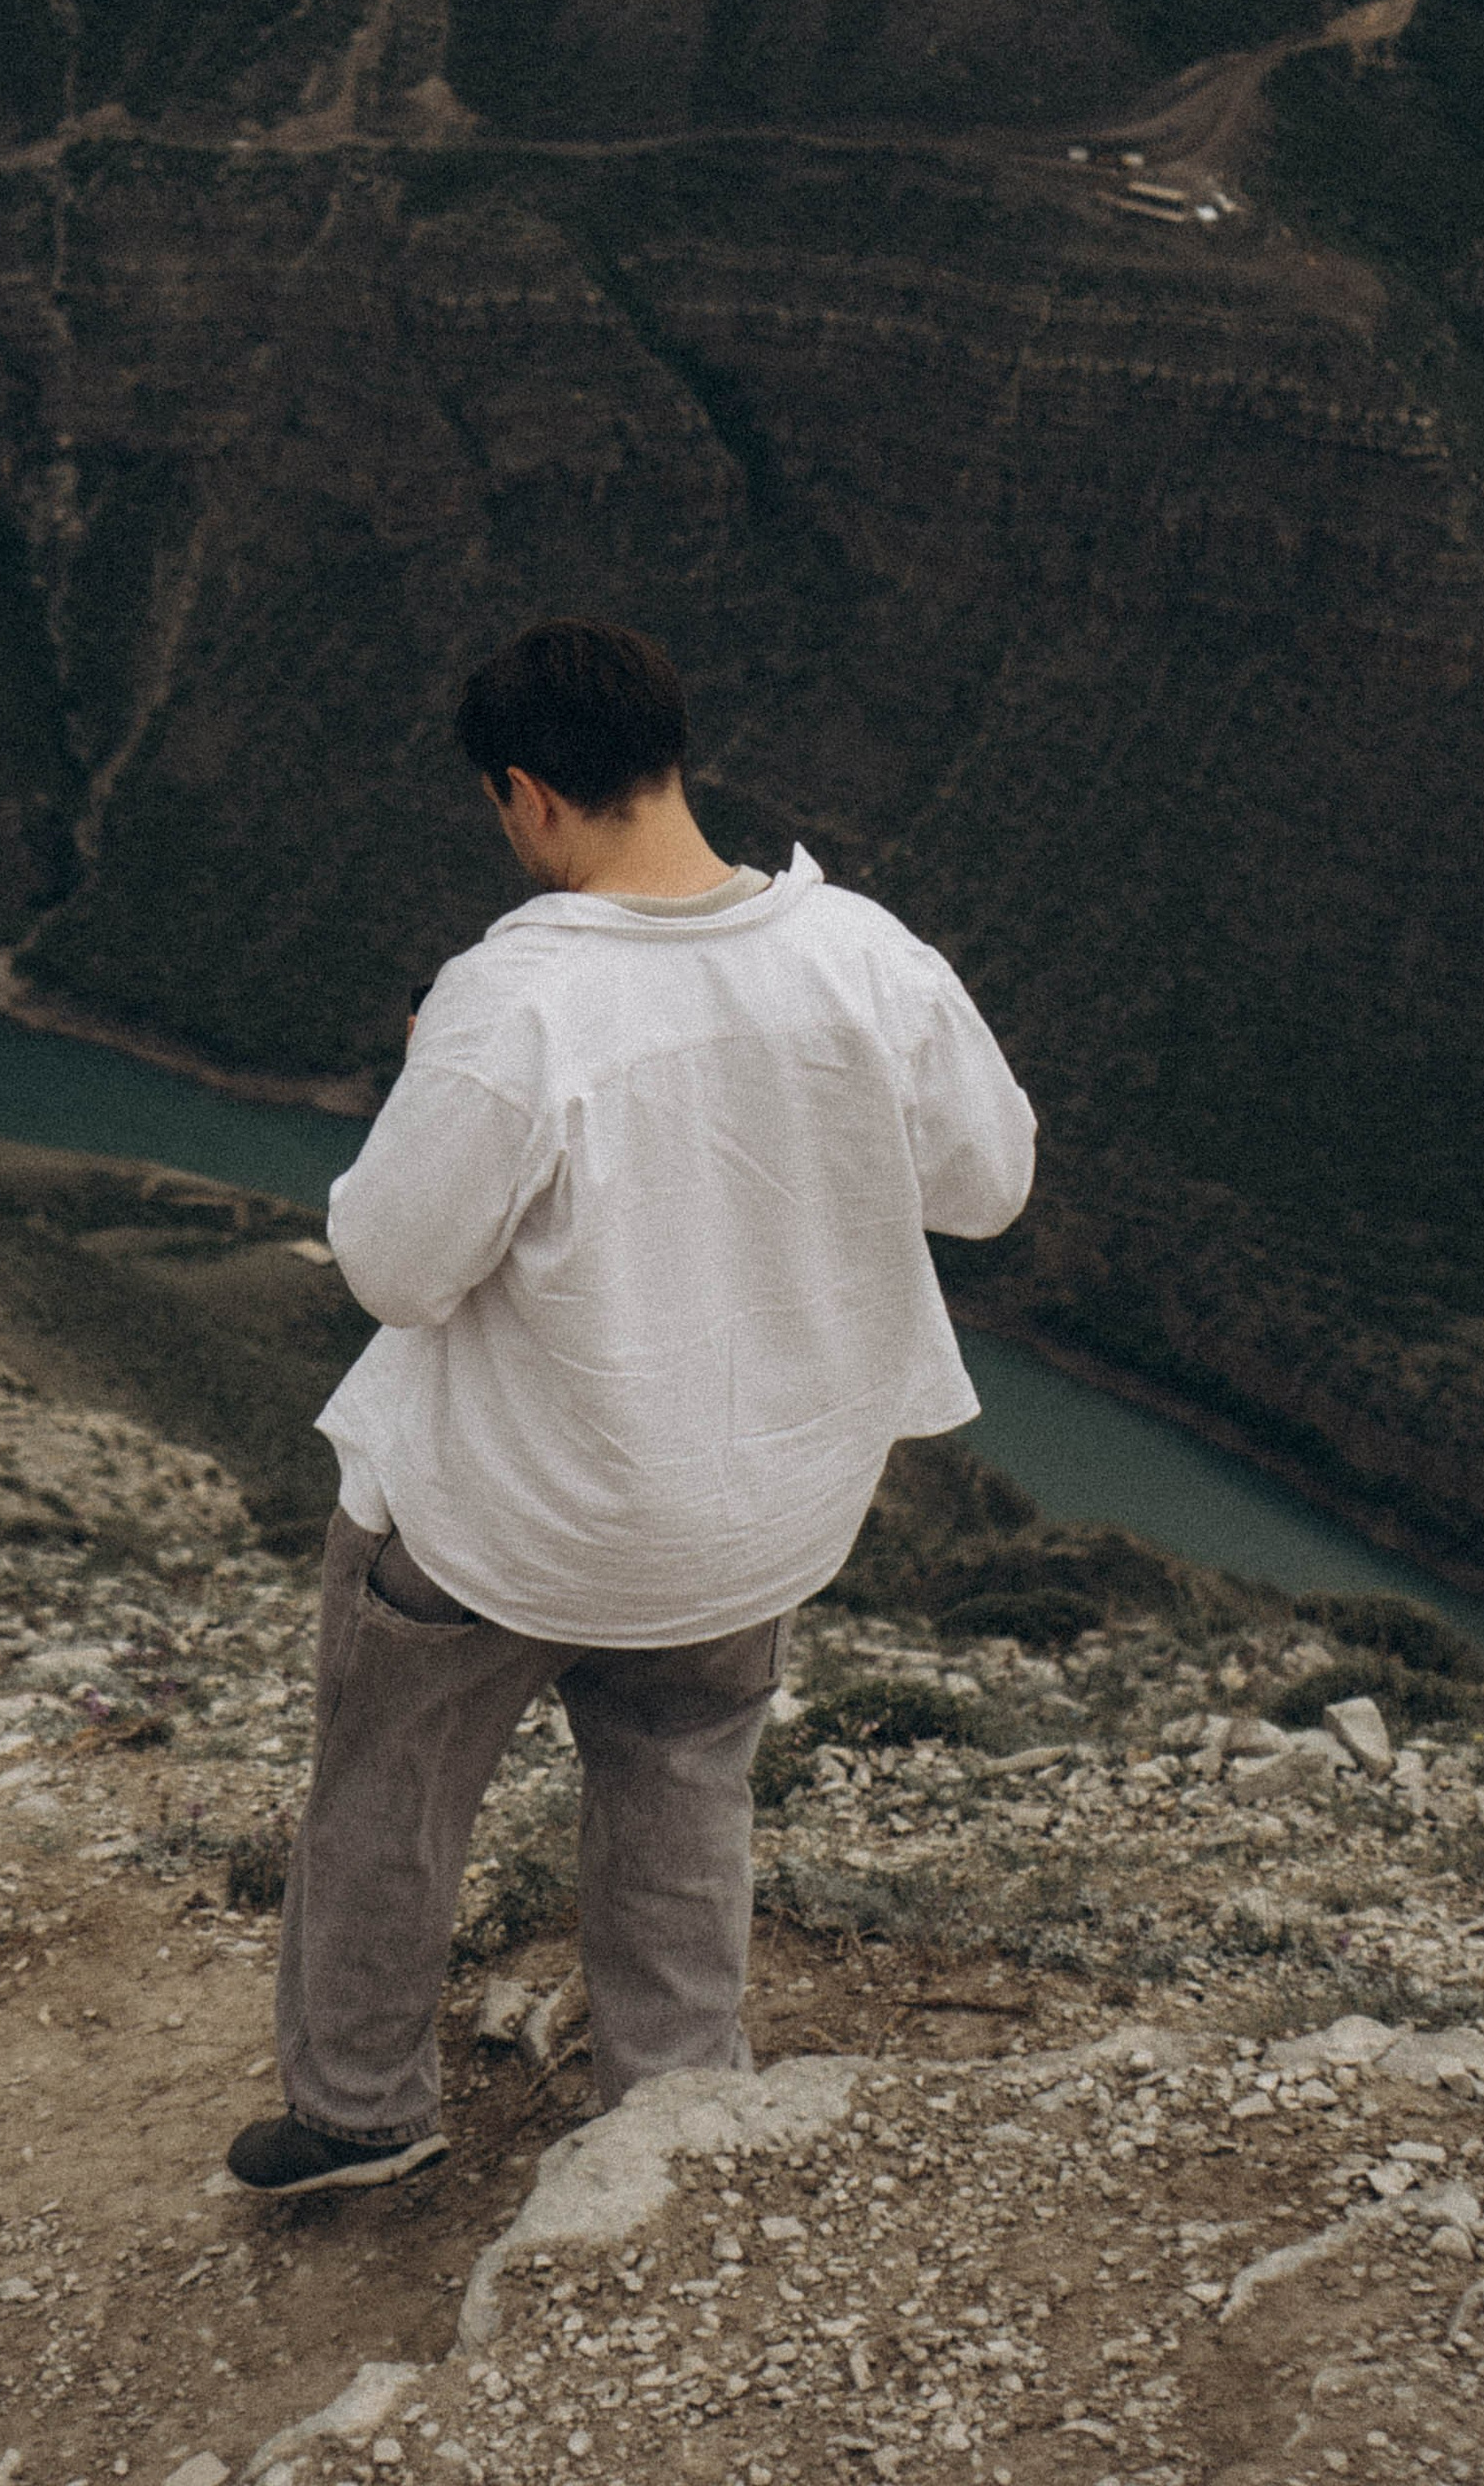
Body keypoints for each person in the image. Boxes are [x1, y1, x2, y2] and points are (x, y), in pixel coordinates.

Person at [227, 617, 1036, 2198]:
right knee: (681, 1779)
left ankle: (358, 2112)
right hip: (754, 1519)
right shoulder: (864, 954)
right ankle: (674, 2105)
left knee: (387, 1787)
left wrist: (425, 1072)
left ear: (526, 796)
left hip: (517, 1524)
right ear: (671, 757)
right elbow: (988, 1184)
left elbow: (395, 1264)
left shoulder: (512, 997)